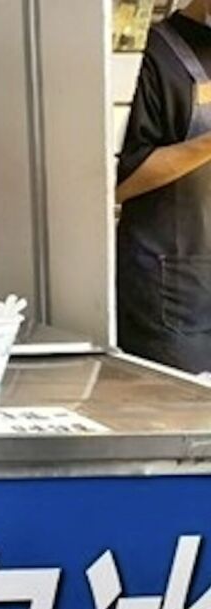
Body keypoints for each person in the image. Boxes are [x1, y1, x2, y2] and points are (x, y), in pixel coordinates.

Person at [116, 0, 211, 372]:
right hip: (172, 295)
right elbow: (119, 183)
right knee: (182, 402)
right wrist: (205, 145)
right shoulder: (155, 56)